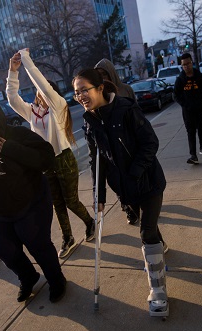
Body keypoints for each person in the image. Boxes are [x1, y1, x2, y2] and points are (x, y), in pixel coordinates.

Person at [72, 68, 169, 317]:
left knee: (146, 230)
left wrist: (135, 172)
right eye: (76, 92)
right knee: (150, 229)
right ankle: (157, 249)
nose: (81, 95)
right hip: (124, 189)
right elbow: (97, 161)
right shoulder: (89, 120)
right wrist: (99, 196)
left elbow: (151, 142)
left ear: (100, 87)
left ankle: (158, 291)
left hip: (147, 182)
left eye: (84, 89)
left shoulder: (126, 109)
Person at [0, 92, 67, 303]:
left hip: (32, 202)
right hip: (1, 212)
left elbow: (46, 159)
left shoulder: (16, 135)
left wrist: (12, 149)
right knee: (3, 249)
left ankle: (57, 280)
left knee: (37, 243)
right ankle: (28, 277)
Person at [7, 49, 95, 259]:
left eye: (43, 91)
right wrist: (12, 71)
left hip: (63, 159)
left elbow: (41, 83)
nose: (40, 94)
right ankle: (68, 237)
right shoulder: (32, 112)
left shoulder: (59, 106)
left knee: (71, 201)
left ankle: (90, 222)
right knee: (57, 204)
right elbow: (12, 99)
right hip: (45, 163)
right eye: (37, 92)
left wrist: (26, 59)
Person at [94, 58, 140, 225]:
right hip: (111, 149)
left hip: (130, 143)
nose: (103, 78)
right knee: (117, 181)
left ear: (111, 73)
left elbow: (137, 112)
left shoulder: (125, 90)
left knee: (135, 179)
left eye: (105, 74)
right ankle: (127, 208)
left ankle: (140, 203)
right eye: (99, 75)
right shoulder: (98, 95)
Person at [174, 53, 202, 165]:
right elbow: (176, 95)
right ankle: (193, 155)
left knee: (201, 128)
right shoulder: (180, 80)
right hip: (188, 111)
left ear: (192, 63)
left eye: (188, 63)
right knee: (190, 131)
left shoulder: (199, 76)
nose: (186, 66)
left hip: (200, 109)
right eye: (183, 65)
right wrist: (185, 105)